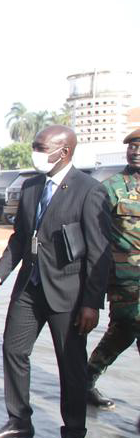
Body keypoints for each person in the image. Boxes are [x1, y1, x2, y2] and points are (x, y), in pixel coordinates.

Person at [0, 125, 111, 438]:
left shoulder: (89, 191)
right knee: (13, 349)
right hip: (30, 286)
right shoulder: (31, 185)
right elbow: (20, 238)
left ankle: (72, 435)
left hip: (70, 292)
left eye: (41, 147)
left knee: (71, 364)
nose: (35, 153)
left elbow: (100, 254)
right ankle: (20, 420)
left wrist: (92, 304)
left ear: (63, 151)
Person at [84, 130, 139, 407]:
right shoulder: (113, 187)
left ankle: (84, 381)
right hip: (126, 279)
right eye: (132, 146)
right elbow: (95, 231)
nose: (136, 151)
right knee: (128, 329)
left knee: (122, 334)